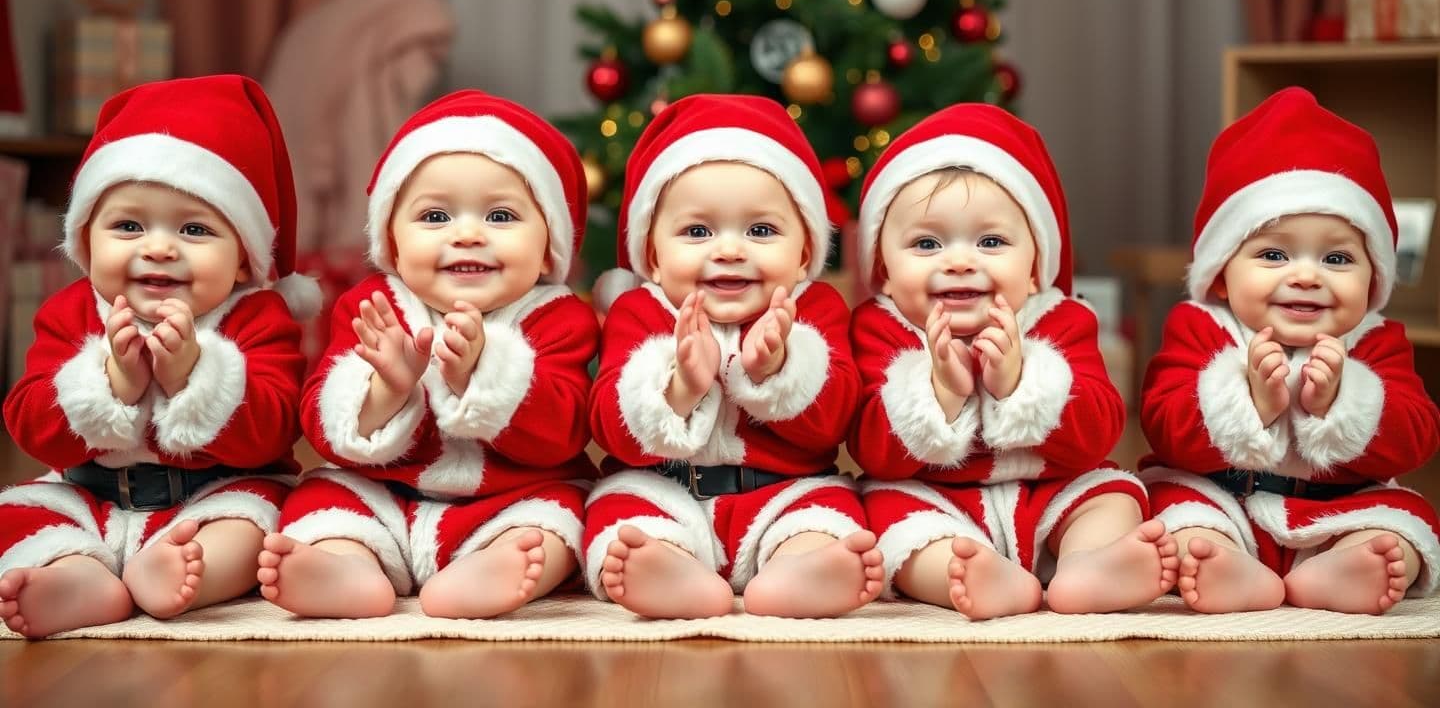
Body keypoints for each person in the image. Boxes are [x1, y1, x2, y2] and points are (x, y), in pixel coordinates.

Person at [257, 91, 599, 619]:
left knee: (564, 517)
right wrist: (387, 388)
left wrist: (482, 375)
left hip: (509, 500)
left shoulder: (558, 317)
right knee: (323, 500)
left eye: (501, 216)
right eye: (435, 216)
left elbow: (567, 430)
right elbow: (323, 425)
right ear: (392, 242)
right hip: (386, 496)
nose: (467, 235)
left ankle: (498, 567)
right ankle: (348, 566)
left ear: (548, 242)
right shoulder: (373, 306)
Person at [0, 75, 317, 638]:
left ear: (243, 261)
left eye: (194, 229)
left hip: (212, 495)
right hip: (90, 495)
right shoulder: (73, 311)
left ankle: (185, 571)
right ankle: (79, 577)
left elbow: (275, 430)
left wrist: (193, 378)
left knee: (259, 523)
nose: (159, 247)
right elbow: (29, 423)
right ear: (86, 240)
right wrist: (110, 386)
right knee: (17, 513)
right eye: (128, 225)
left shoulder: (255, 317)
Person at [850, 103, 1178, 619]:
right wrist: (941, 393)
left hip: (1050, 493)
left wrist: (1019, 384)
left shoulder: (1063, 319)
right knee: (884, 518)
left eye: (991, 241)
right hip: (936, 500)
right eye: (927, 243)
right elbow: (873, 451)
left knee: (1112, 493)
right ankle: (962, 576)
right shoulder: (880, 327)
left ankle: (1087, 566)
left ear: (1034, 269)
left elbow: (1101, 431)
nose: (959, 261)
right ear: (884, 270)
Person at [1142, 87, 1440, 614]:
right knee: (1173, 510)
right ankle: (1222, 562)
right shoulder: (1202, 326)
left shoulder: (1375, 341)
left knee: (1407, 522)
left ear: (1374, 279)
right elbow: (1163, 422)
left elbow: (1417, 437)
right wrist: (1248, 406)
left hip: (1340, 509)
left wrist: (1343, 406)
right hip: (1226, 498)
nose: (1305, 275)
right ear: (1221, 275)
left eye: (1338, 259)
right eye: (1274, 254)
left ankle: (1341, 567)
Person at [584, 94, 883, 619]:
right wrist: (678, 390)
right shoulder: (638, 310)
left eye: (761, 231)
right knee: (620, 514)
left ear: (805, 254)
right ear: (652, 256)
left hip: (782, 491)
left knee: (825, 515)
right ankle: (669, 569)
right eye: (697, 231)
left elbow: (837, 420)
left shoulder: (814, 309)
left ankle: (799, 569)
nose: (729, 249)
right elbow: (609, 426)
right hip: (664, 491)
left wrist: (778, 371)